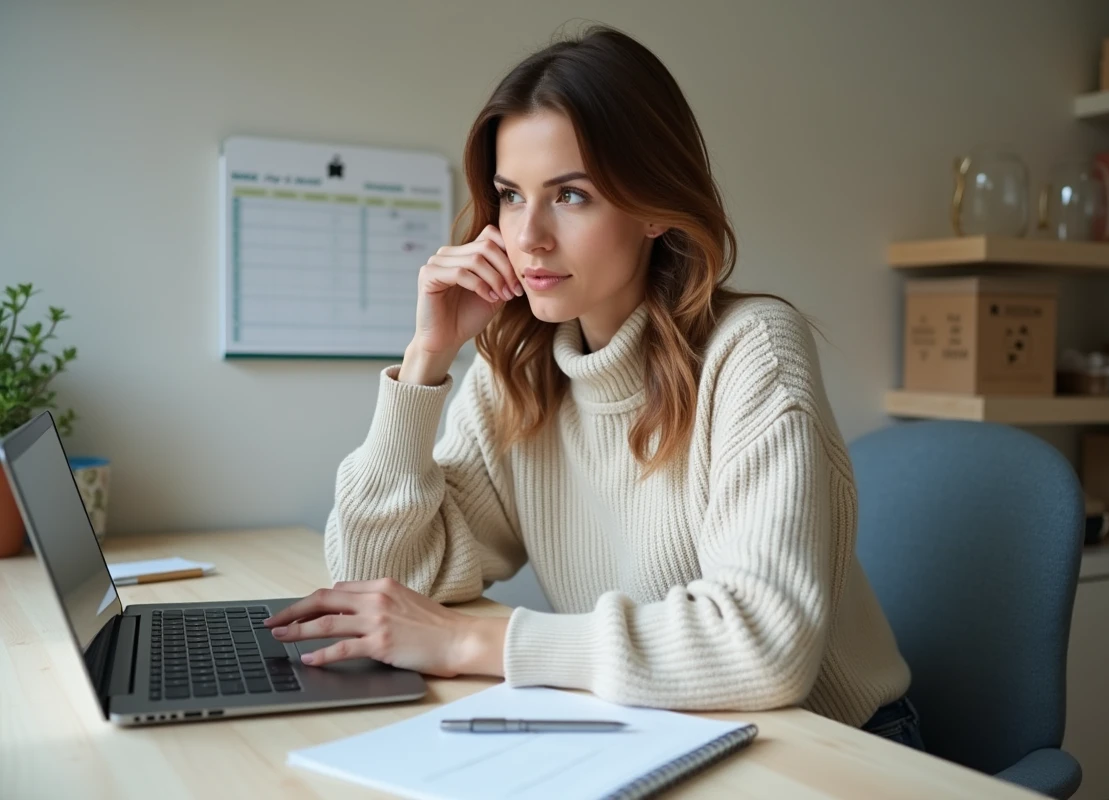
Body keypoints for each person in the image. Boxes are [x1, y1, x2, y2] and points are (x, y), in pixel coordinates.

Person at [263, 23, 922, 749]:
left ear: (652, 208)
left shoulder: (754, 351)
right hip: (659, 730)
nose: (529, 236)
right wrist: (425, 359)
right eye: (511, 195)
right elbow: (377, 581)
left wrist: (470, 643)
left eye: (570, 196)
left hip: (829, 749)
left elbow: (763, 647)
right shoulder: (518, 371)